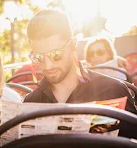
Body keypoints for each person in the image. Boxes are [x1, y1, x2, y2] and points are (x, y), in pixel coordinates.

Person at [23, 8, 137, 138]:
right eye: (38, 57)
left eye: (56, 54)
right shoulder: (30, 103)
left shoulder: (113, 91)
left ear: (73, 45)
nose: (48, 66)